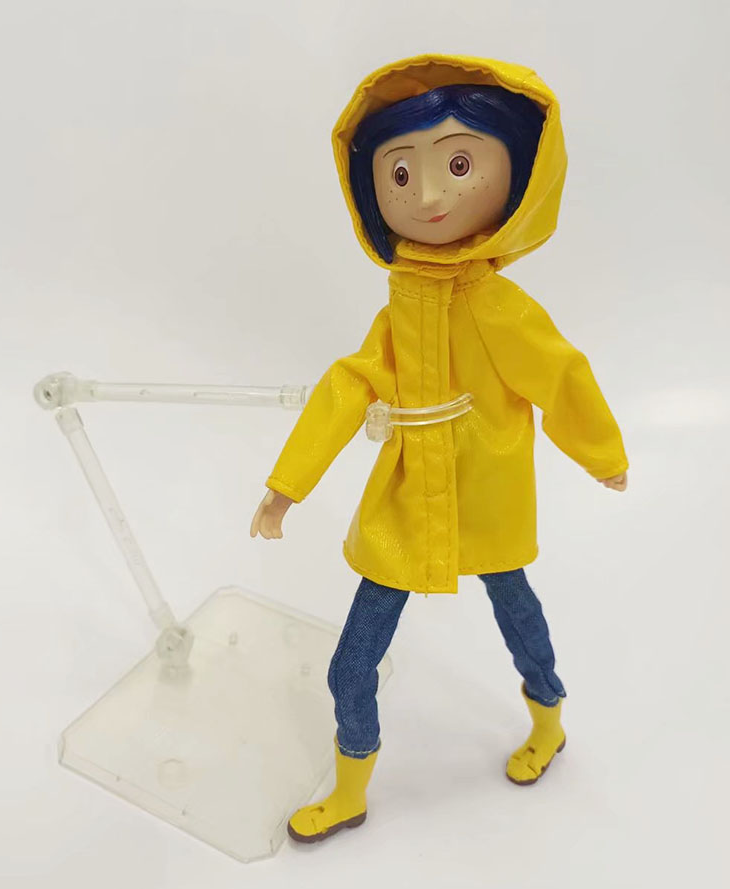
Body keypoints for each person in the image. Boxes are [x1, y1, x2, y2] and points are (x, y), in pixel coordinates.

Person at [250, 53, 628, 845]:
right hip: (406, 500)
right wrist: (288, 485)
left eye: (458, 165)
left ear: (516, 173)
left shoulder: (498, 305)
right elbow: (348, 385)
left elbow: (560, 373)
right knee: (352, 662)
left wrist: (602, 453)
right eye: (400, 172)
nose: (426, 196)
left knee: (518, 614)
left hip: (485, 492)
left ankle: (548, 720)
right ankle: (351, 788)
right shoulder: (400, 306)